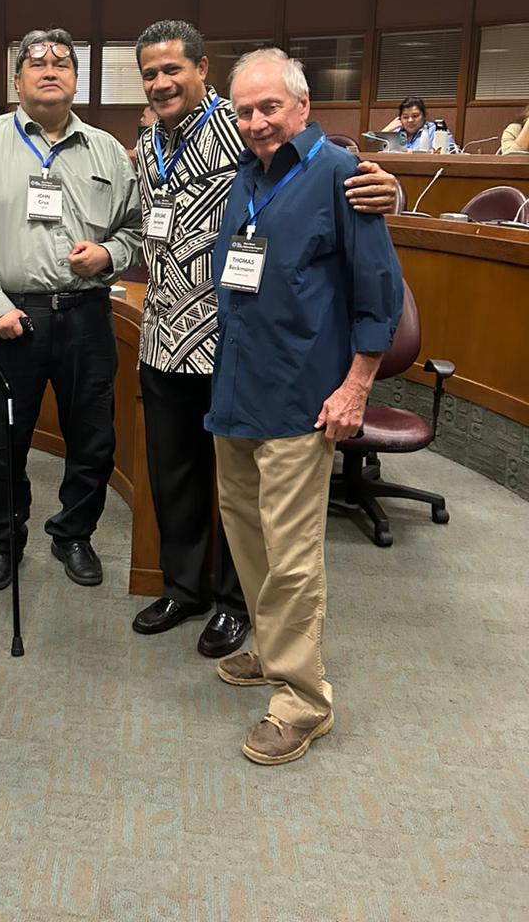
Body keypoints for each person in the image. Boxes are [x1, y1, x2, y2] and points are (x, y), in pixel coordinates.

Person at [131, 20, 398, 657]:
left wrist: (389, 187)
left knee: (254, 507)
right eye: (151, 73)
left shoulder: (238, 123)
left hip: (227, 340)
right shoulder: (146, 146)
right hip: (168, 333)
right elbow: (139, 223)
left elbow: (323, 167)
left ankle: (234, 606)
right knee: (183, 481)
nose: (164, 82)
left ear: (201, 71)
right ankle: (184, 587)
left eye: (175, 69)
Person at [206, 48, 402, 765]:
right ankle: (270, 646)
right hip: (237, 391)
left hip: (301, 399)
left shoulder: (344, 176)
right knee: (248, 536)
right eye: (245, 110)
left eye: (270, 108)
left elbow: (377, 289)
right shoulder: (245, 179)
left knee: (290, 557)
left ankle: (303, 701)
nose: (257, 122)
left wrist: (356, 386)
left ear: (302, 106)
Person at [0, 28, 142, 591]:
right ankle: (3, 541)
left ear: (77, 79)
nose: (49, 69)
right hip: (11, 320)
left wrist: (108, 254)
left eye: (62, 62)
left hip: (86, 315)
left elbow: (134, 228)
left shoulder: (106, 149)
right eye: (36, 62)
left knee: (93, 438)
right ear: (17, 79)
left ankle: (73, 535)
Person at [381, 95, 457, 152]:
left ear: (424, 116)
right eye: (405, 117)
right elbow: (375, 150)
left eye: (415, 116)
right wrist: (387, 129)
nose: (410, 120)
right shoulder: (396, 131)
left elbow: (451, 152)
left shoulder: (436, 130)